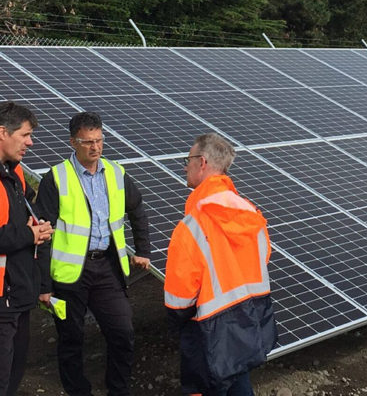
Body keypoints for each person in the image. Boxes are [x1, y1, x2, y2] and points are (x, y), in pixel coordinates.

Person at [36, 112, 151, 396]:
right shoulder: (57, 177)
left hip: (107, 268)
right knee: (71, 339)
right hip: (69, 274)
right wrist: (43, 286)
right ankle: (78, 392)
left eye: (99, 140)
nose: (95, 147)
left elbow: (137, 210)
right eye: (88, 142)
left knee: (122, 331)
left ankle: (118, 389)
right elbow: (43, 232)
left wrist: (143, 250)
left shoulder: (116, 173)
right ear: (73, 142)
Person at [164, 133, 277, 396]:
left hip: (207, 331)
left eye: (188, 159)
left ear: (202, 162)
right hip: (249, 319)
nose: (185, 166)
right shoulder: (251, 213)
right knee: (239, 382)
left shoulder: (193, 225)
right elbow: (263, 257)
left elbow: (179, 300)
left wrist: (177, 324)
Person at [0, 101, 53, 396]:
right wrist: (29, 235)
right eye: (25, 135)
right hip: (2, 298)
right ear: (2, 133)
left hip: (18, 294)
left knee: (13, 374)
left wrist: (38, 228)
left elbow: (23, 219)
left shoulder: (14, 174)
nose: (30, 142)